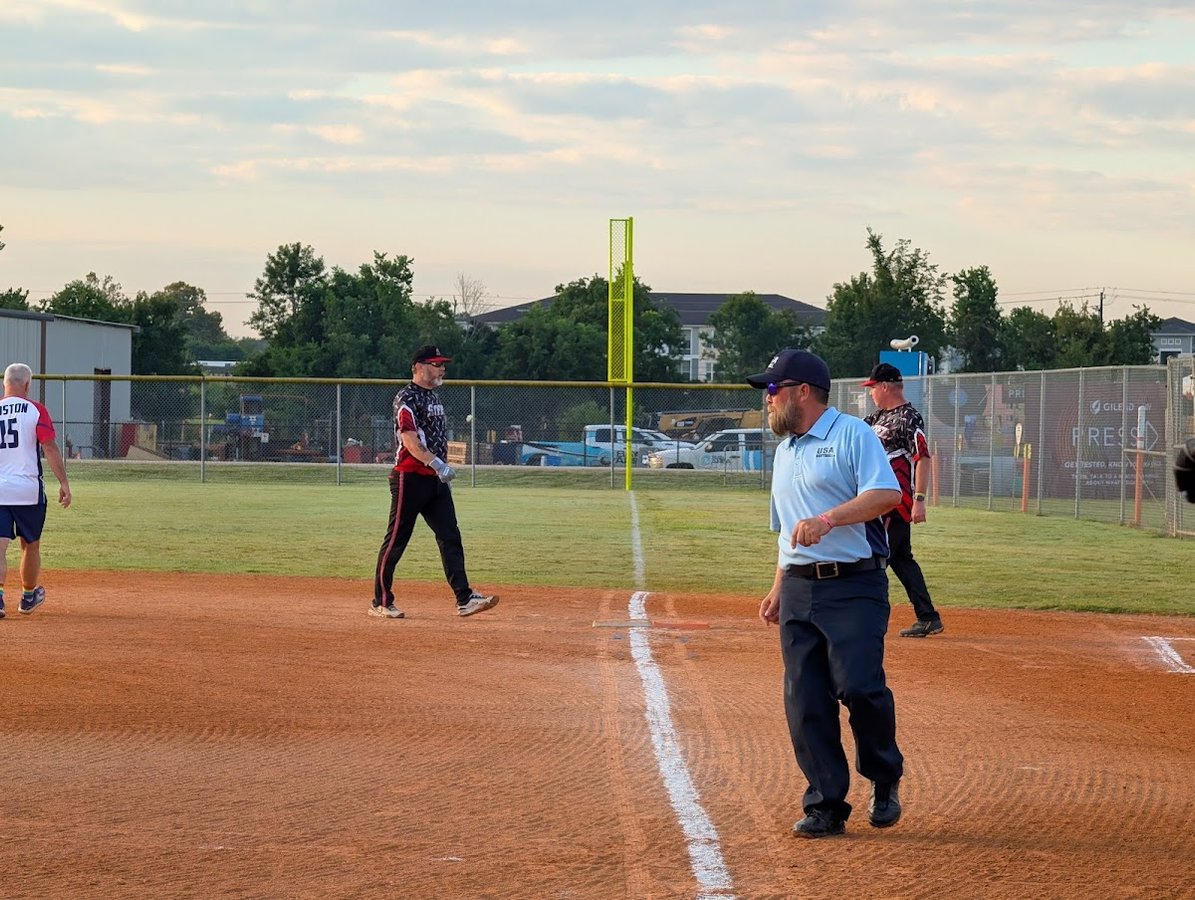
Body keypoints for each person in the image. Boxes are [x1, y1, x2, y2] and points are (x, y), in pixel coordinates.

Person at [751, 349, 905, 839]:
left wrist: (828, 519)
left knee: (859, 687)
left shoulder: (853, 434)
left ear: (802, 392)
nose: (767, 400)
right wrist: (778, 585)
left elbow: (887, 495)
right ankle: (826, 804)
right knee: (806, 701)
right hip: (798, 588)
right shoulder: (786, 452)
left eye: (773, 391)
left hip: (854, 584)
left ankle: (884, 775)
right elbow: (785, 531)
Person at [371, 345, 498, 620]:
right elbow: (410, 440)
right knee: (396, 539)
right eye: (436, 364)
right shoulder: (406, 398)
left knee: (450, 536)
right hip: (410, 477)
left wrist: (441, 469)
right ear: (418, 367)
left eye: (443, 364)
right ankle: (380, 601)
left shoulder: (434, 398)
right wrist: (437, 463)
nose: (442, 369)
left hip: (435, 480)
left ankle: (464, 599)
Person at [861, 362, 945, 638]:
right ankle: (928, 616)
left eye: (873, 388)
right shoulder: (876, 418)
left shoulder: (909, 417)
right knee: (900, 560)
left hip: (893, 503)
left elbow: (922, 457)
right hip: (877, 500)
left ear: (885, 386)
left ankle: (867, 618)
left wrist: (919, 499)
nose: (871, 393)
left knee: (875, 558)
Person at [0, 363, 72, 619]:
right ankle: (28, 597)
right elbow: (49, 446)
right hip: (27, 490)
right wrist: (63, 483)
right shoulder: (35, 409)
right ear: (27, 384)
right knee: (30, 545)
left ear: (4, 383)